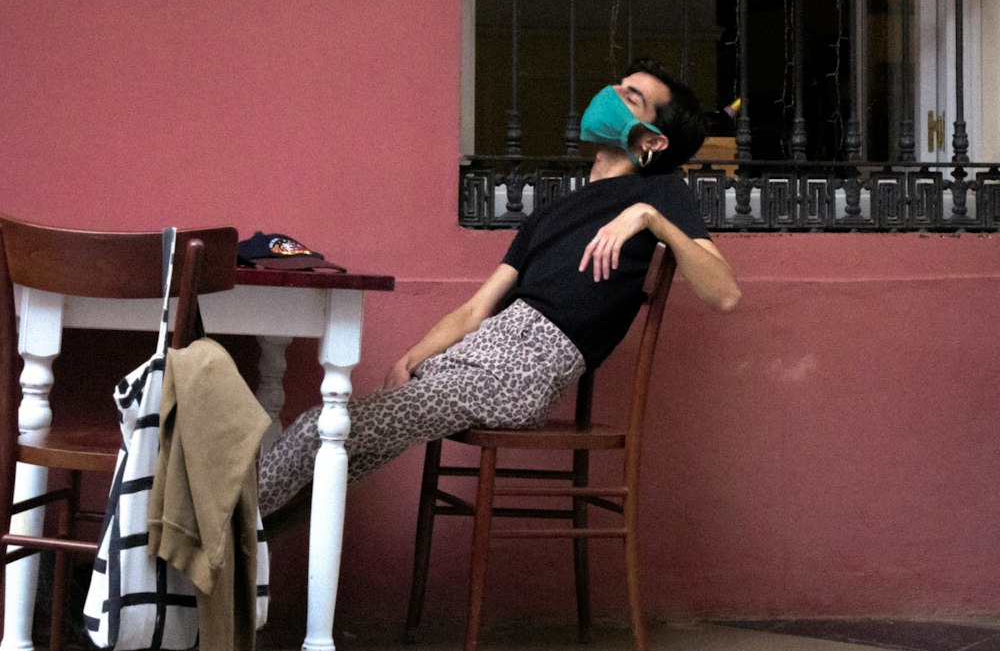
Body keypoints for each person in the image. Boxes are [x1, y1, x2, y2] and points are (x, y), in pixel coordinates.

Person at [257, 60, 740, 518]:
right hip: (468, 358)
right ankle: (241, 558)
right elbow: (476, 310)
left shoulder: (658, 193)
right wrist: (410, 359)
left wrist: (647, 217)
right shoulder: (550, 215)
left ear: (651, 141)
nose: (610, 96)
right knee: (336, 462)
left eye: (630, 98)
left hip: (516, 375)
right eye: (616, 86)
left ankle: (200, 536)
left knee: (318, 430)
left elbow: (724, 294)